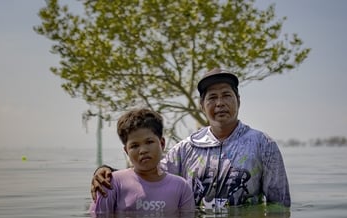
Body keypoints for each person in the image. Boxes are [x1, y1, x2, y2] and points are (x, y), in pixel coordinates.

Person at [91, 68, 290, 210]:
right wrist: (107, 172)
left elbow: (279, 205)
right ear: (202, 106)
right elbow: (149, 173)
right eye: (212, 98)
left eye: (226, 95)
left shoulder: (263, 144)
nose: (220, 103)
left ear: (238, 101)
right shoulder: (187, 148)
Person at [90, 108, 195, 214]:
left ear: (162, 144)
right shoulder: (111, 183)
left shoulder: (181, 187)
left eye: (149, 142)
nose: (143, 150)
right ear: (126, 151)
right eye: (134, 146)